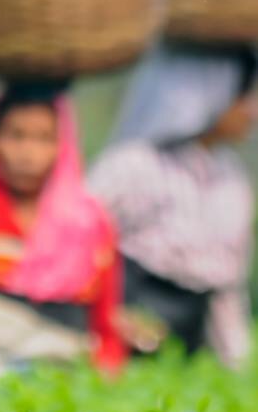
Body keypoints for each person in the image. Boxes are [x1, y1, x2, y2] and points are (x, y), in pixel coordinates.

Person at [0, 83, 126, 376]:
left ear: (64, 145)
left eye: (45, 138)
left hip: (71, 386)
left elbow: (106, 330)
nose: (28, 153)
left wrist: (105, 384)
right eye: (16, 136)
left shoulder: (92, 224)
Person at [88, 44, 257, 368]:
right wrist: (107, 316)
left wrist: (236, 365)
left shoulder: (231, 179)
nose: (252, 111)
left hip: (184, 352)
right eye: (244, 96)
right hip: (117, 346)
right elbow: (75, 246)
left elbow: (227, 289)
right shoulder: (132, 165)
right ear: (209, 94)